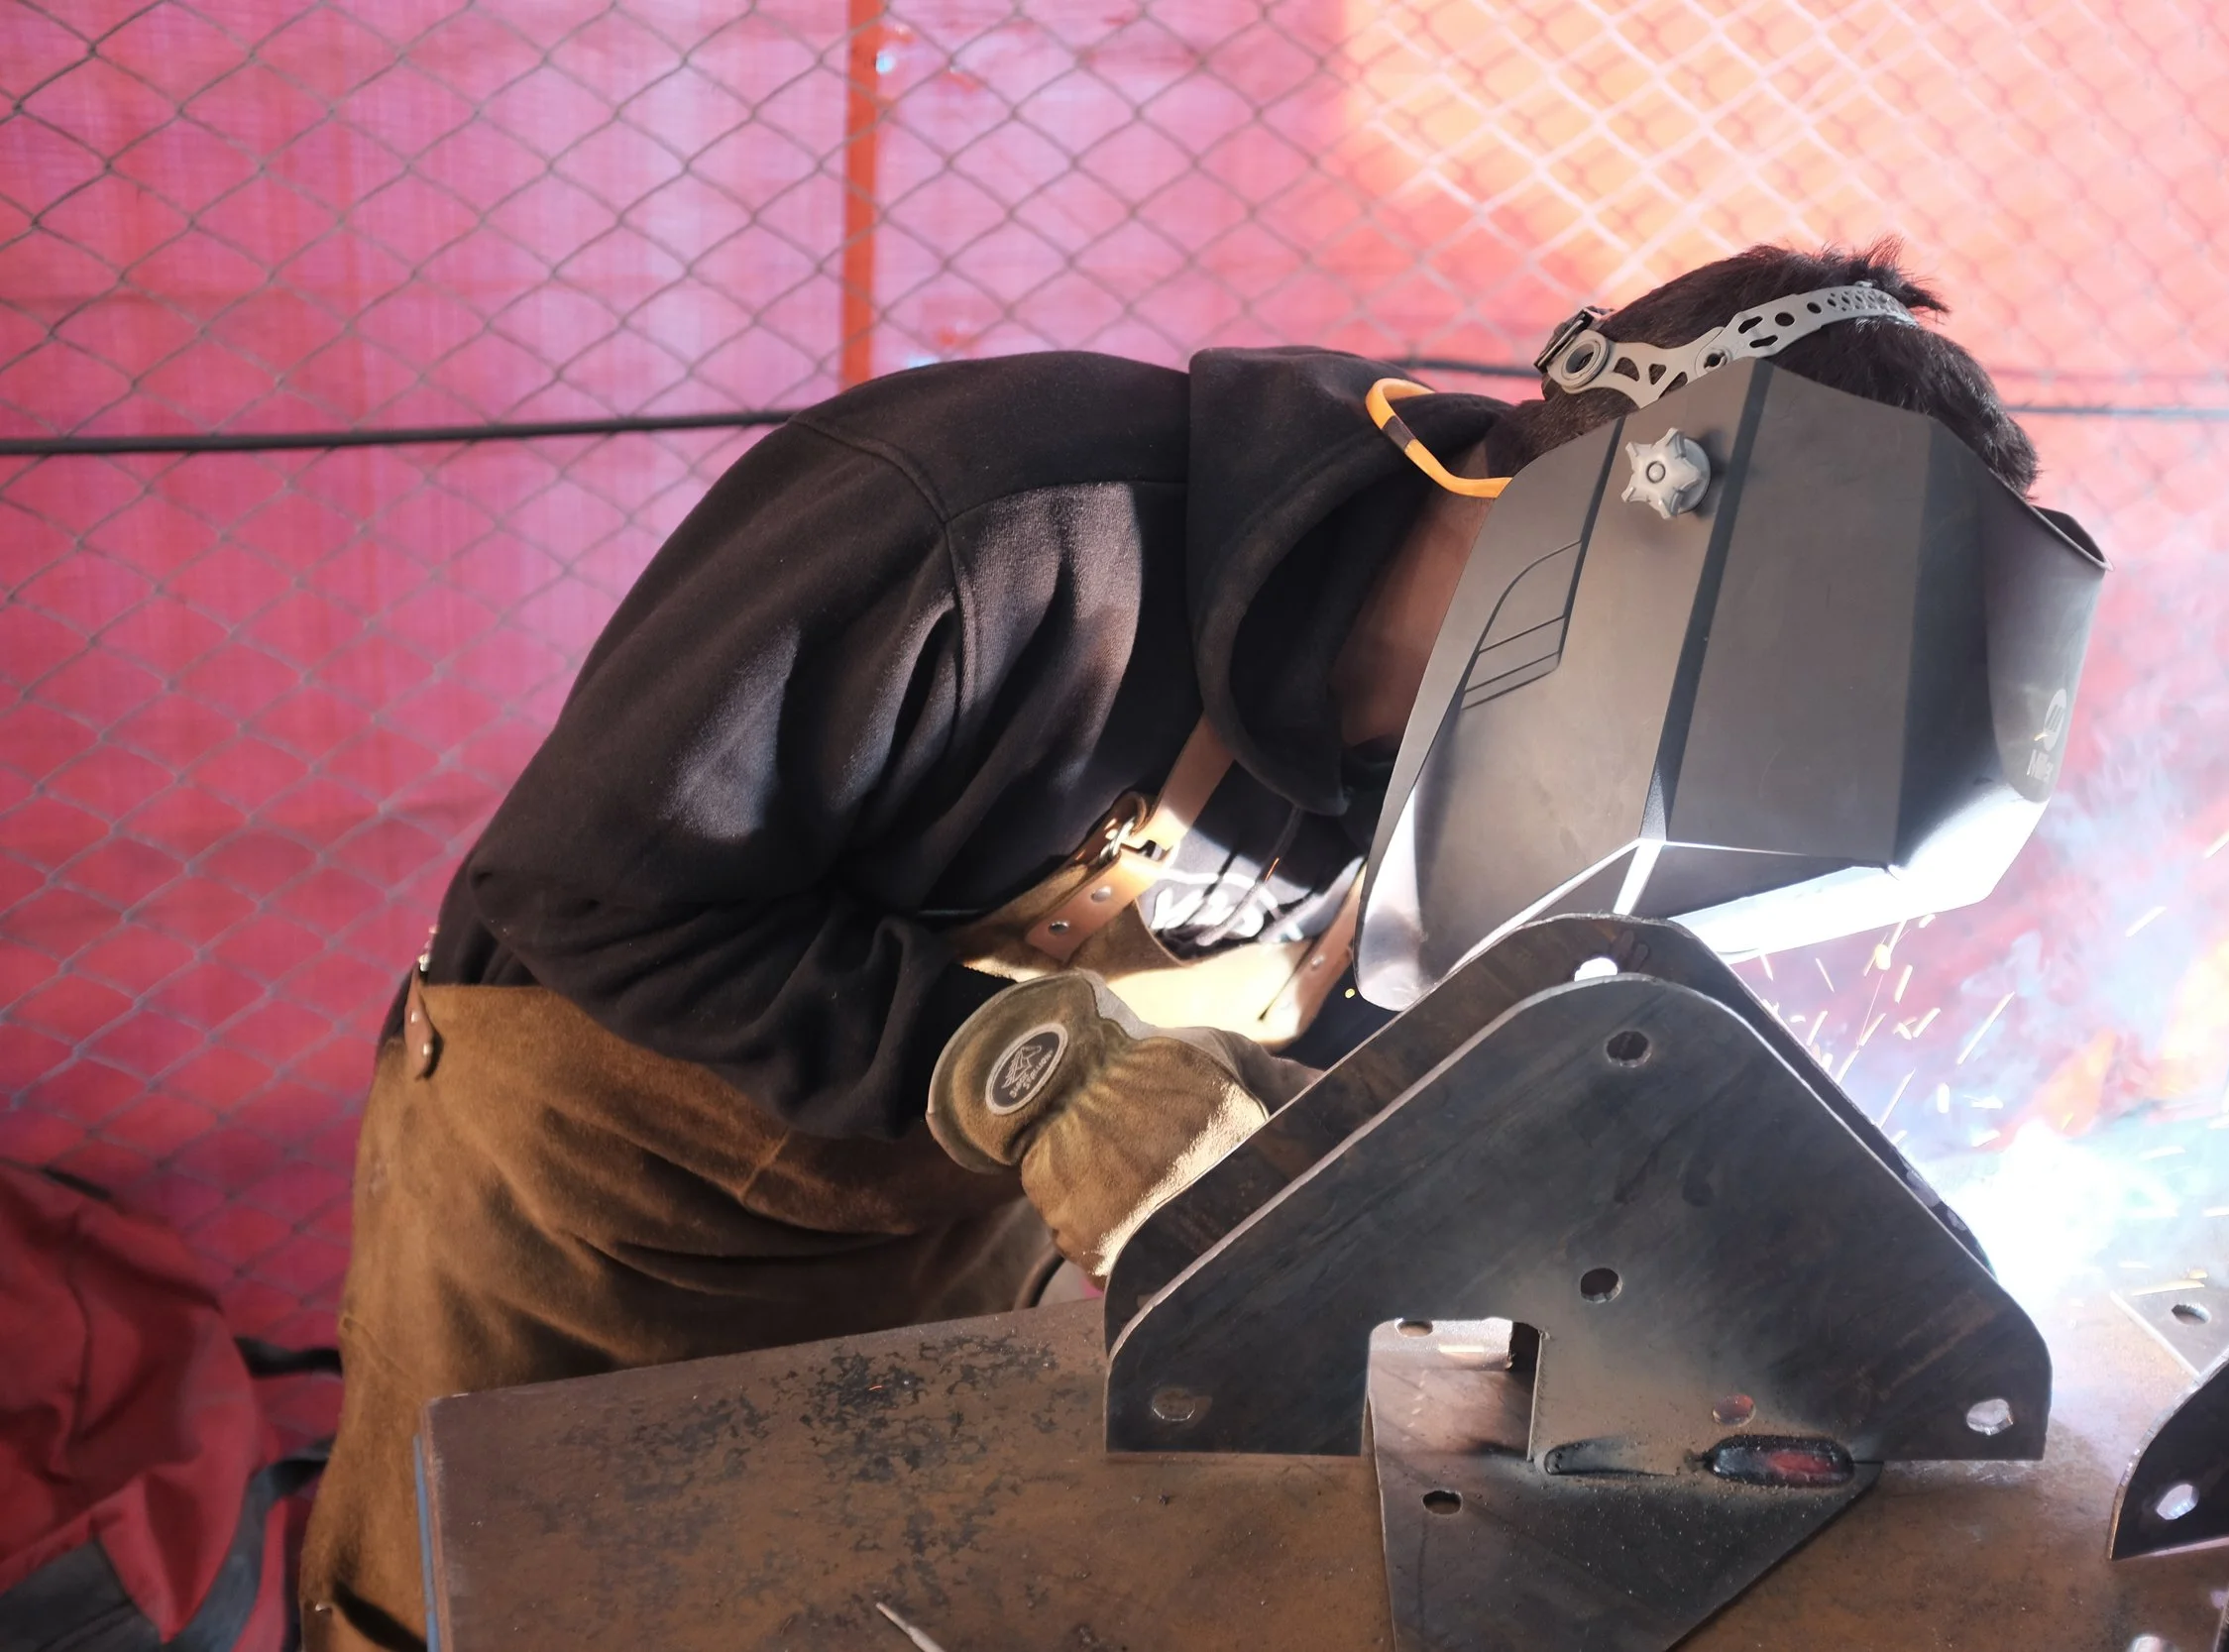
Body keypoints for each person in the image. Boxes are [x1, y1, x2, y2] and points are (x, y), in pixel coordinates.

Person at [299, 240, 2040, 1651]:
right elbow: (595, 892)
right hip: (590, 1227)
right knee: (489, 1606)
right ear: (1641, 526)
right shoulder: (1003, 524)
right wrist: (1022, 1066)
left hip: (937, 1254)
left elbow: (1413, 1121)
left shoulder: (1519, 779)